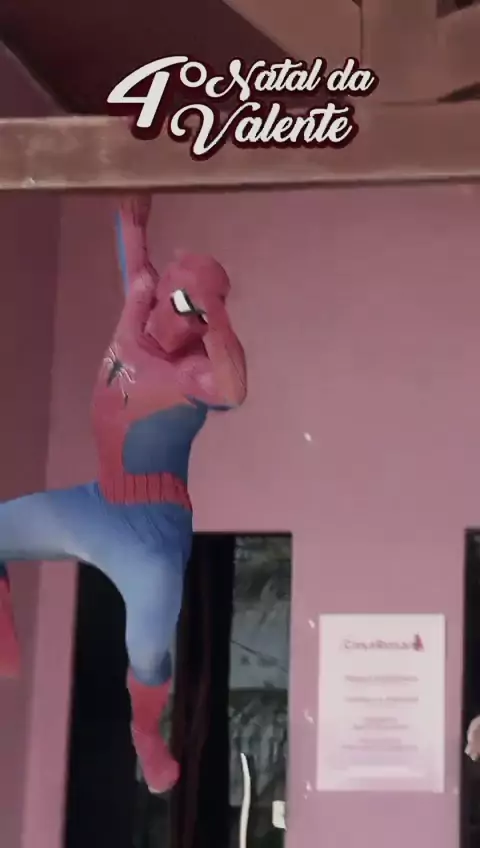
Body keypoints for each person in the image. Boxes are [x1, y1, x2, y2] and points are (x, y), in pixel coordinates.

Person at [0, 195, 247, 793]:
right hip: (98, 503)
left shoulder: (194, 374)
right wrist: (128, 189)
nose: (177, 318)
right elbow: (131, 226)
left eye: (194, 313)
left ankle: (146, 732)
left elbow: (234, 390)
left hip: (150, 537)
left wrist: (216, 320)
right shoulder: (140, 298)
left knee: (148, 650)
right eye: (177, 299)